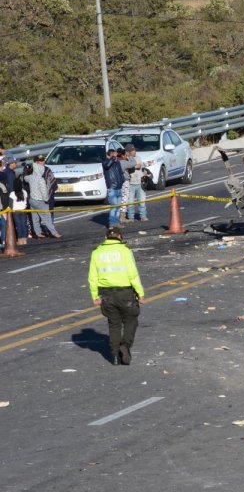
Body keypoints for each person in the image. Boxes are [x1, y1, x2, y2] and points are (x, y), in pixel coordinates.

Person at [88, 227, 143, 365]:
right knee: (131, 320)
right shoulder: (125, 251)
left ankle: (114, 356)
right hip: (125, 292)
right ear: (120, 237)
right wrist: (140, 293)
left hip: (106, 294)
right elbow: (132, 274)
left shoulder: (96, 252)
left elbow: (92, 277)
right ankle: (125, 345)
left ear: (106, 238)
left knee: (114, 324)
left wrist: (95, 296)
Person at [25, 155, 61, 238]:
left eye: (43, 160)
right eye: (40, 161)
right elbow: (45, 191)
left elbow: (25, 178)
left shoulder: (31, 175)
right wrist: (46, 199)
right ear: (36, 163)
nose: (42, 162)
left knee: (35, 218)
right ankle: (54, 233)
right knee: (47, 217)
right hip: (42, 200)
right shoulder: (39, 177)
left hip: (33, 199)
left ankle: (38, 233)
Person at [2, 158, 29, 245]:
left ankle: (20, 238)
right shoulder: (8, 173)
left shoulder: (12, 193)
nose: (16, 164)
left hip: (15, 208)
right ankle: (23, 238)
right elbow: (26, 200)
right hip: (21, 207)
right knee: (23, 224)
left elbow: (11, 203)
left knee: (18, 224)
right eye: (15, 163)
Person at [122, 144, 148, 222]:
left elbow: (139, 166)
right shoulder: (125, 159)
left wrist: (130, 166)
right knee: (130, 203)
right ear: (128, 152)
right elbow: (126, 167)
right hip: (130, 183)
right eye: (133, 151)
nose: (135, 152)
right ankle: (131, 217)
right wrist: (133, 166)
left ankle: (143, 216)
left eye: (134, 150)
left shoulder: (138, 158)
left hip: (139, 182)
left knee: (142, 201)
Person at [102, 147, 125, 227]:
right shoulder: (105, 162)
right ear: (111, 154)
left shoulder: (116, 162)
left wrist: (122, 180)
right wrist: (113, 158)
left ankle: (117, 223)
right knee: (114, 207)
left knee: (118, 207)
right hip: (112, 188)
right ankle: (112, 224)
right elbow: (107, 166)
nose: (116, 155)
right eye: (114, 153)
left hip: (119, 187)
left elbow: (120, 172)